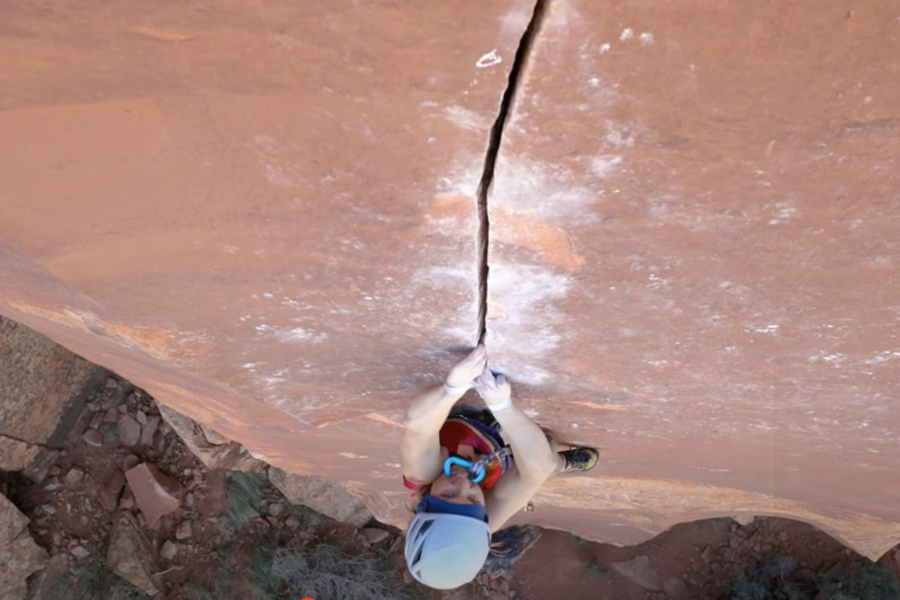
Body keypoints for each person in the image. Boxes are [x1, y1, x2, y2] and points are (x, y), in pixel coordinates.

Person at [402, 345, 600, 589]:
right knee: (545, 455)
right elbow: (535, 472)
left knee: (532, 451)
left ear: (424, 504)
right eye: (474, 500)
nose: (463, 484)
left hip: (466, 433)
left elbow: (418, 425)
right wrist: (503, 407)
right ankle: (562, 463)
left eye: (448, 494)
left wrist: (452, 388)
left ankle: (495, 430)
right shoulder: (481, 522)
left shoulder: (421, 473)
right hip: (494, 459)